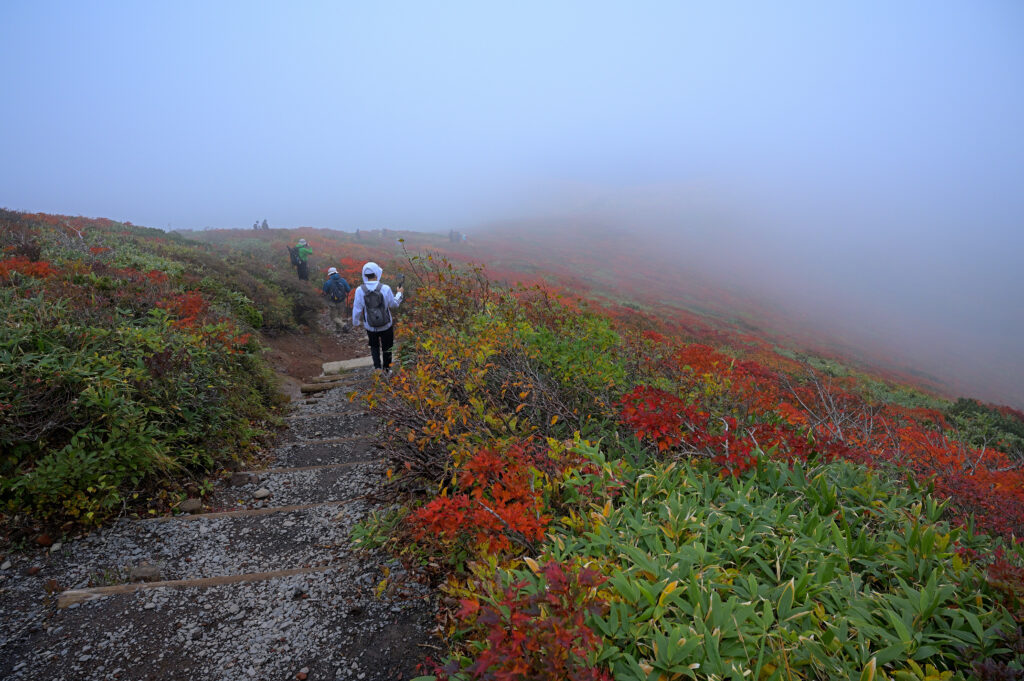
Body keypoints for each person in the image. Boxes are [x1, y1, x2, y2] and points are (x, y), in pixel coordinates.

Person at [351, 262, 403, 373]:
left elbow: (357, 309)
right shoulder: (385, 288)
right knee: (387, 347)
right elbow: (394, 304)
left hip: (370, 326)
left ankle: (377, 369)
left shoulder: (360, 290)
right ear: (377, 273)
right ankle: (387, 370)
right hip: (386, 325)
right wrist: (399, 294)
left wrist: (355, 323)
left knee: (374, 346)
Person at [322, 266, 352, 333]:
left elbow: (324, 292)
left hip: (332, 302)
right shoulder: (343, 280)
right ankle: (338, 330)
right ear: (336, 272)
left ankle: (343, 326)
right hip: (342, 301)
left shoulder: (328, 282)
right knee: (339, 316)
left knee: (333, 317)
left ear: (330, 274)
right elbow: (348, 290)